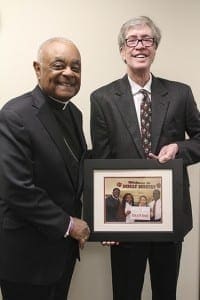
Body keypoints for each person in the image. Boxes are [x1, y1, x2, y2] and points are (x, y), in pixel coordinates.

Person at [90, 16, 200, 300]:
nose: (140, 46)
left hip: (171, 215)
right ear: (122, 50)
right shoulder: (102, 99)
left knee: (166, 293)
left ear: (155, 47)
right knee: (126, 294)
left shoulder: (180, 93)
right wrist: (105, 221)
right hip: (124, 221)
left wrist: (179, 148)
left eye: (147, 39)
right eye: (132, 40)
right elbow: (102, 160)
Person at [0, 37, 90, 300]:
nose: (68, 73)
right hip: (26, 259)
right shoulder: (15, 115)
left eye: (76, 67)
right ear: (38, 69)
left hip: (61, 255)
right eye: (59, 65)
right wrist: (69, 224)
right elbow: (16, 189)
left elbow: (74, 165)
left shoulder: (74, 113)